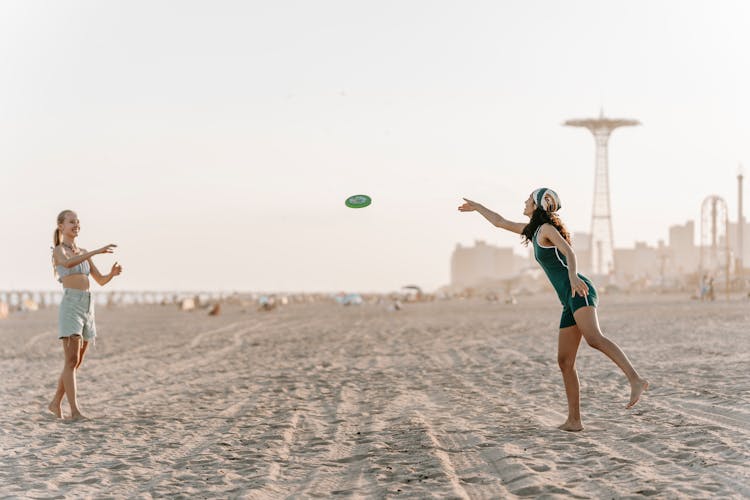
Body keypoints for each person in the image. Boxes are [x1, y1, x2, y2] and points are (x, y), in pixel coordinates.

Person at [459, 189, 648, 431]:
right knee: (565, 361)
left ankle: (635, 379)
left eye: (529, 199)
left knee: (594, 339)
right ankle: (574, 421)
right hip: (567, 298)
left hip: (578, 289)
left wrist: (572, 277)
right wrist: (477, 206)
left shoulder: (547, 230)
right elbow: (500, 222)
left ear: (538, 205)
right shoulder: (535, 231)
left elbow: (569, 251)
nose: (525, 201)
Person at [48, 210, 122, 420]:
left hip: (87, 305)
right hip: (71, 304)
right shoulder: (59, 251)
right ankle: (75, 411)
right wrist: (96, 252)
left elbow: (100, 280)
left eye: (77, 221)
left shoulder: (83, 251)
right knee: (70, 360)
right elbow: (68, 264)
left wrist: (112, 274)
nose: (76, 224)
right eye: (71, 221)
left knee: (76, 362)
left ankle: (55, 403)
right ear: (61, 226)